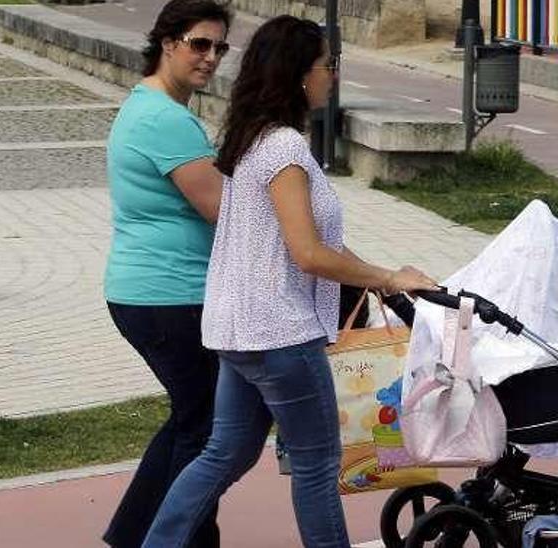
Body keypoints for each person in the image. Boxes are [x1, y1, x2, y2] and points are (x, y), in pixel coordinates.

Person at [141, 15, 438, 548]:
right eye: (329, 65)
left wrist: (382, 278)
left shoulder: (253, 140)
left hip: (239, 332)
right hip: (280, 334)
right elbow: (308, 254)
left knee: (224, 454)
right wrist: (389, 276)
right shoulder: (283, 150)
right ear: (301, 75)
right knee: (317, 465)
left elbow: (311, 243)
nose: (333, 76)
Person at [101, 1, 231, 546]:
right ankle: (176, 537)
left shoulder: (153, 107)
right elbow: (225, 211)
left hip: (156, 292)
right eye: (200, 44)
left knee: (194, 419)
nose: (210, 58)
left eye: (220, 48)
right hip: (170, 296)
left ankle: (139, 534)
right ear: (168, 42)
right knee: (206, 428)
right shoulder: (163, 118)